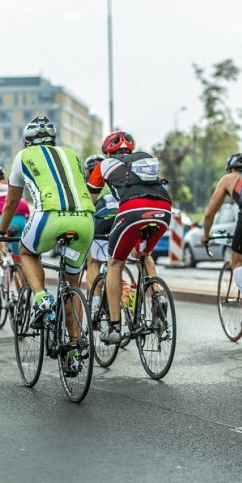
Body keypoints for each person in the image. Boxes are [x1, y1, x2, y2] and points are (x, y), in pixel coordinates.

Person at [0, 116, 95, 354]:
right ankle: (75, 349)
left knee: (27, 252)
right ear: (53, 140)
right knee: (73, 284)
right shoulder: (72, 155)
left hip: (49, 217)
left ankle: (41, 298)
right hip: (86, 220)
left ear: (28, 142)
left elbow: (12, 202)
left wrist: (1, 231)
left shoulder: (22, 157)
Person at [87, 130, 172, 344]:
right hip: (164, 208)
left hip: (132, 209)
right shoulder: (143, 159)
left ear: (107, 152)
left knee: (115, 263)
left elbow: (90, 201)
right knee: (143, 253)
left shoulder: (103, 165)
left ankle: (114, 327)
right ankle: (157, 295)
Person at [200, 152, 242, 327]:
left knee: (238, 262)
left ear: (231, 168)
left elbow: (210, 213)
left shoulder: (228, 178)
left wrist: (206, 235)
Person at [83, 153, 117, 313]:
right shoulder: (115, 179)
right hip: (120, 216)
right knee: (115, 263)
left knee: (93, 261)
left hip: (101, 217)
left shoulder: (90, 184)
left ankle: (95, 304)